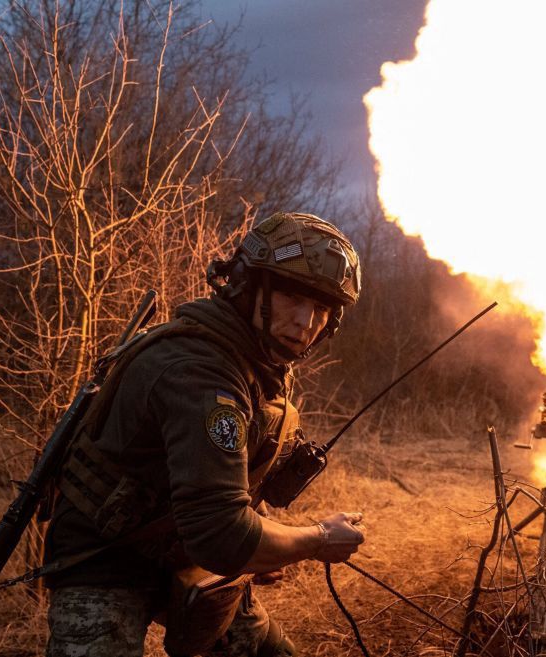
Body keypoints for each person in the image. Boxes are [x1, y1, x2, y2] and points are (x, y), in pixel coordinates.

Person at [43, 212, 366, 657]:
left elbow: (221, 509)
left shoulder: (257, 360)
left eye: (323, 307)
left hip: (186, 556)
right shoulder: (199, 373)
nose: (307, 320)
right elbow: (222, 536)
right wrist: (317, 539)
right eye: (293, 296)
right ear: (250, 287)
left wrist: (264, 546)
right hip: (104, 556)